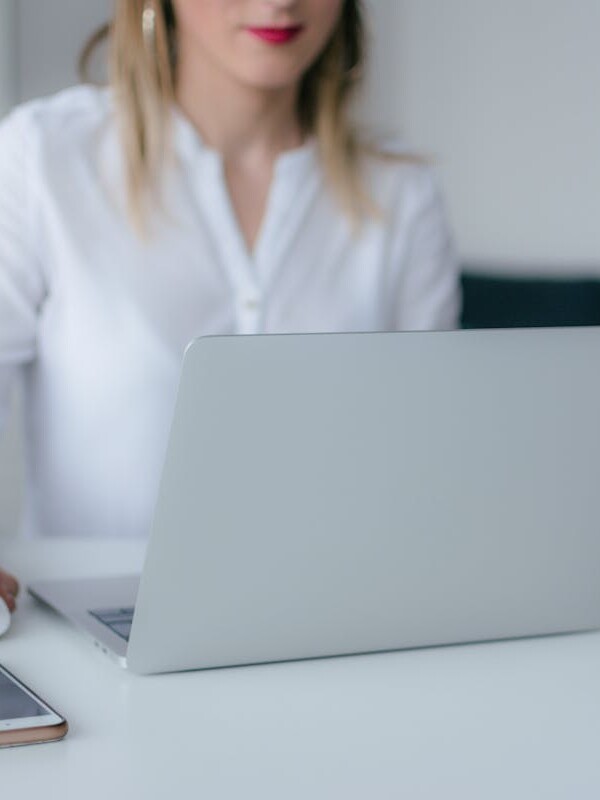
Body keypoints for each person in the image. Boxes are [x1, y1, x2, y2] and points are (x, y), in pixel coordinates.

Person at [0, 0, 460, 612]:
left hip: (331, 621)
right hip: (90, 621)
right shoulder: (44, 160)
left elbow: (424, 465)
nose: (280, 1)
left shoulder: (402, 198)